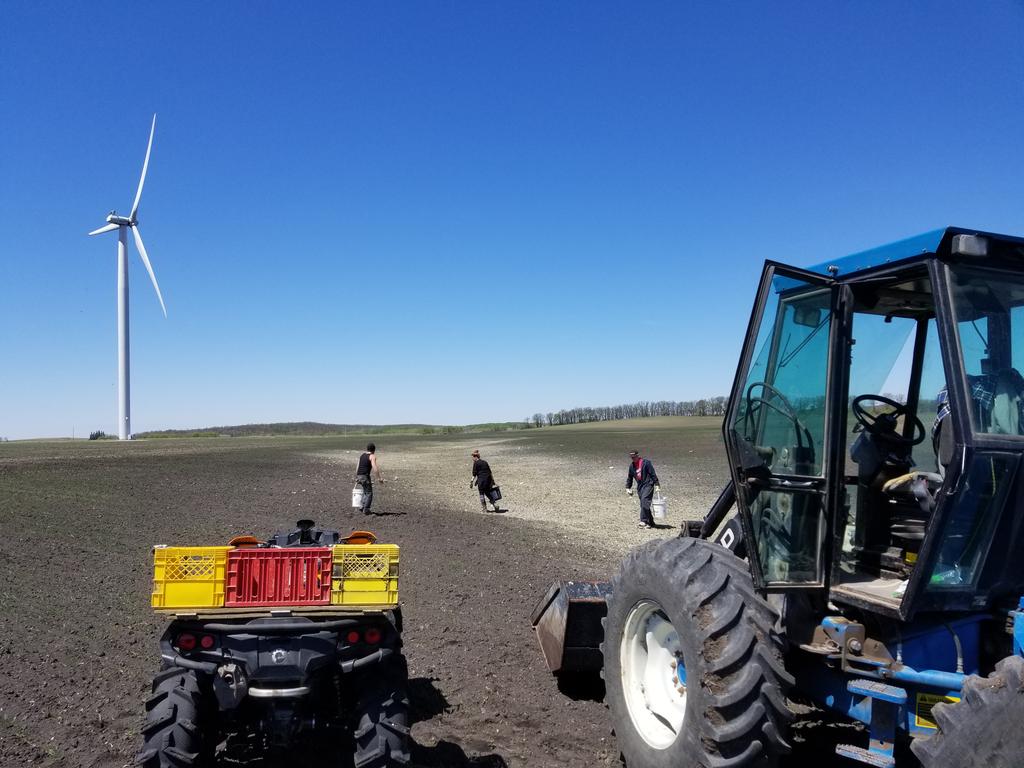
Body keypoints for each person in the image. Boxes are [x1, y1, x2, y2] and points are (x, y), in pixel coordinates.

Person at [626, 450, 660, 528]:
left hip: (648, 484)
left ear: (638, 456)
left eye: (634, 457)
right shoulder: (632, 466)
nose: (633, 459)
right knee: (644, 504)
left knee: (645, 500)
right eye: (632, 458)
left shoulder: (646, 463)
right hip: (640, 486)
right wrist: (628, 487)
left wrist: (657, 484)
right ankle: (650, 522)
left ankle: (643, 521)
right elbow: (630, 478)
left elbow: (652, 473)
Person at [355, 443, 384, 515]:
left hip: (359, 475)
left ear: (367, 449)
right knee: (369, 493)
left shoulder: (362, 455)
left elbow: (357, 467)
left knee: (365, 492)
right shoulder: (372, 456)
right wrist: (379, 478)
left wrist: (357, 477)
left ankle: (362, 507)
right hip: (365, 476)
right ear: (374, 450)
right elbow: (375, 468)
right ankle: (366, 509)